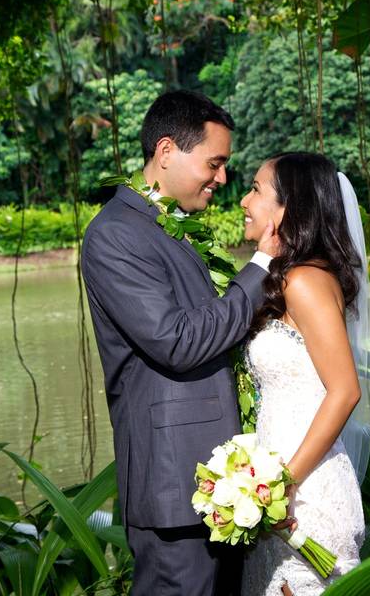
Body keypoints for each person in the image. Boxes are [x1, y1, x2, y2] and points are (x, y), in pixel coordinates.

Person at [81, 90, 279, 595]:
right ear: (166, 152)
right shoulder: (115, 235)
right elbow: (178, 341)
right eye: (214, 163)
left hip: (221, 486)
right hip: (174, 486)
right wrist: (260, 267)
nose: (222, 178)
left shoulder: (174, 229)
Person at [239, 152, 370, 595]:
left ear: (288, 208)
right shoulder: (289, 278)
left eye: (256, 190)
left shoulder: (305, 282)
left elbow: (345, 390)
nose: (244, 200)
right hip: (277, 491)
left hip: (306, 493)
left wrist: (283, 483)